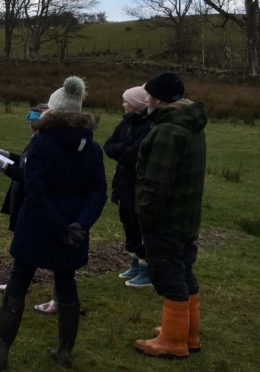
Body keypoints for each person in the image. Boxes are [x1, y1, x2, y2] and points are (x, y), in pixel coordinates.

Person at [0, 76, 107, 369]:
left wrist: (59, 227)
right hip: (72, 230)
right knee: (66, 283)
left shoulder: (42, 143)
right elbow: (98, 193)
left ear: (53, 112)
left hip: (38, 227)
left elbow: (36, 190)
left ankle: (0, 350)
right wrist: (78, 226)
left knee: (18, 282)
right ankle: (65, 352)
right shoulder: (93, 149)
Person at [134, 72, 207, 359]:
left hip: (168, 220)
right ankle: (187, 333)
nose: (147, 100)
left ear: (161, 99)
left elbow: (156, 183)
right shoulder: (191, 125)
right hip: (187, 217)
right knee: (184, 271)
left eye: (150, 95)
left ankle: (173, 342)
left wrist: (146, 217)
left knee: (169, 274)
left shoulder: (168, 131)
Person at [0, 104, 59, 315]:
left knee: (53, 254)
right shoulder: (36, 140)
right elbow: (25, 163)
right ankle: (16, 283)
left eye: (34, 117)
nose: (29, 121)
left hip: (35, 203)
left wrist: (5, 167)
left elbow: (30, 176)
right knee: (22, 245)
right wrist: (9, 156)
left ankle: (58, 299)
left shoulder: (45, 144)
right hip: (24, 200)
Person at [104, 86, 154, 287]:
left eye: (126, 101)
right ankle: (134, 261)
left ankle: (146, 268)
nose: (123, 104)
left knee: (140, 225)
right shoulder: (125, 123)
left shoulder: (148, 126)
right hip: (123, 182)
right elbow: (108, 146)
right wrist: (125, 150)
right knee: (127, 222)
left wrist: (123, 151)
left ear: (135, 105)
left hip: (139, 184)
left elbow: (137, 153)